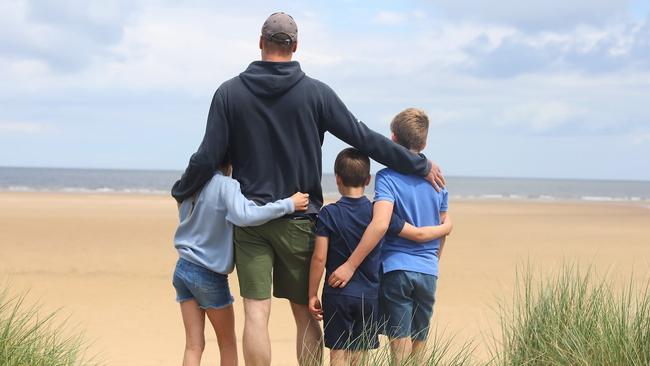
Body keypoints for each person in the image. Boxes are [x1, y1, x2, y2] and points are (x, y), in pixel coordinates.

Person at [171, 12, 446, 366]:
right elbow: (364, 138)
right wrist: (418, 163)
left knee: (256, 312)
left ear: (260, 43)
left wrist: (183, 190)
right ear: (296, 46)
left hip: (251, 222)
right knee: (304, 312)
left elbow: (208, 155)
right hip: (301, 218)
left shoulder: (229, 93)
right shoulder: (316, 93)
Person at [307, 148, 453, 366]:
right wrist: (445, 227)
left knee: (338, 354)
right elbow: (415, 233)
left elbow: (319, 258)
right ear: (367, 180)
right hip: (369, 296)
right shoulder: (378, 213)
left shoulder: (329, 213)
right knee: (361, 353)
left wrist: (311, 294)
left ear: (337, 178)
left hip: (336, 293)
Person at [172, 156, 309, 366]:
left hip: (182, 268)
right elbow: (246, 214)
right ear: (230, 162)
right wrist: (288, 204)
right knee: (227, 344)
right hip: (208, 274)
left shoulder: (191, 184)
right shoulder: (226, 185)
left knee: (193, 345)